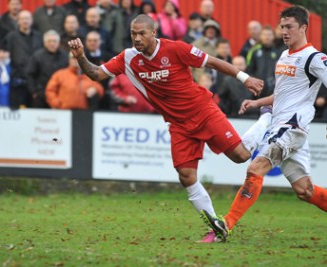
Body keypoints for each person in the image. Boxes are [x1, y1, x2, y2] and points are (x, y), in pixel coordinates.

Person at [68, 14, 269, 242]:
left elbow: (212, 61)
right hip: (178, 124)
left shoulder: (175, 49)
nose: (137, 38)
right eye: (133, 33)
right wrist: (81, 56)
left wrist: (245, 78)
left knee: (241, 156)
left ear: (154, 33)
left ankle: (266, 119)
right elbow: (96, 74)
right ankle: (217, 227)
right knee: (186, 175)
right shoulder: (128, 58)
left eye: (142, 33)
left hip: (203, 111)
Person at [202, 5, 327, 242]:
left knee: (255, 168)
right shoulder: (284, 55)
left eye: (289, 27)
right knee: (305, 191)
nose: (284, 32)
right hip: (280, 126)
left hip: (292, 128)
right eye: (282, 27)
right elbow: (282, 93)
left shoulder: (315, 58)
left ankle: (225, 225)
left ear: (303, 27)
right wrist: (257, 102)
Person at [27, 30, 69, 108]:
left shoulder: (65, 56)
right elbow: (30, 75)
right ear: (45, 43)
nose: (52, 43)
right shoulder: (37, 56)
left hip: (60, 95)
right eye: (49, 41)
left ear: (58, 43)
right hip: (41, 95)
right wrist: (34, 92)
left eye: (54, 41)